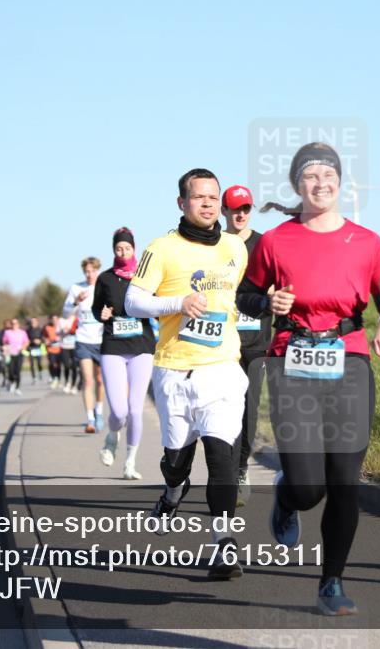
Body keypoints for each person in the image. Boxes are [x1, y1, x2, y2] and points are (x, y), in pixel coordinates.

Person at [238, 142, 380, 615]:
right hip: (292, 361)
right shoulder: (275, 241)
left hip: (350, 361)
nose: (320, 183)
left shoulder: (368, 242)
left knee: (345, 481)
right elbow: (245, 295)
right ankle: (288, 498)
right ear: (296, 184)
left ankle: (332, 582)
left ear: (340, 183)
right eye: (310, 176)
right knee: (309, 488)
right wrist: (267, 302)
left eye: (329, 175)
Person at [125, 167, 249, 580]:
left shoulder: (235, 248)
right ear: (182, 202)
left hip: (222, 369)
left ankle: (224, 543)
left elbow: (237, 297)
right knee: (177, 461)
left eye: (214, 197)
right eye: (199, 197)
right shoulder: (162, 248)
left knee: (221, 457)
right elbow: (133, 302)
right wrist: (177, 303)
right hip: (174, 371)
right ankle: (173, 491)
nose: (208, 204)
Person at [220, 184, 272, 506]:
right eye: (234, 209)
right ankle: (227, 470)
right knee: (226, 409)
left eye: (246, 209)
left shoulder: (264, 244)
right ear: (224, 211)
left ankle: (240, 467)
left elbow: (280, 283)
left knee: (249, 411)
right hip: (222, 343)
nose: (240, 214)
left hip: (256, 341)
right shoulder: (216, 243)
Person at [93, 227, 155, 480]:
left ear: (134, 248)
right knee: (119, 412)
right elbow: (96, 308)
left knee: (135, 409)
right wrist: (101, 314)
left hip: (142, 347)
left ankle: (130, 462)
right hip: (114, 347)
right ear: (113, 250)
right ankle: (112, 436)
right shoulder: (105, 278)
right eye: (118, 248)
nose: (123, 252)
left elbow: (157, 304)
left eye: (127, 248)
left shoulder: (145, 276)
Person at [63, 258, 106, 432]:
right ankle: (90, 419)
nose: (90, 275)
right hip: (83, 340)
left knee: (100, 380)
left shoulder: (104, 286)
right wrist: (76, 301)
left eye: (93, 271)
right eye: (87, 272)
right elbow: (66, 313)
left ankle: (99, 412)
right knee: (87, 380)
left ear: (98, 271)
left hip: (102, 340)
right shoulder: (76, 288)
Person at [2, 318, 28, 395]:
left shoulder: (22, 332)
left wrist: (23, 347)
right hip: (10, 354)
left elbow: (26, 342)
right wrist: (5, 348)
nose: (14, 325)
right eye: (12, 323)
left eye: (16, 323)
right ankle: (12, 381)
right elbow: (4, 342)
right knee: (11, 370)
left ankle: (17, 387)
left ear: (18, 324)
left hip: (19, 353)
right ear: (11, 325)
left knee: (18, 371)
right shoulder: (7, 332)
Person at [57, 312, 79, 394]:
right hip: (64, 346)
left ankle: (74, 385)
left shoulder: (76, 319)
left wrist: (71, 330)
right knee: (66, 365)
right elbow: (57, 332)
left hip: (74, 346)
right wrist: (62, 330)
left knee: (74, 367)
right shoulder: (61, 320)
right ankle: (67, 383)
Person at [43, 315, 62, 389]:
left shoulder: (61, 327)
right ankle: (54, 378)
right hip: (50, 349)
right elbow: (43, 336)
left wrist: (60, 338)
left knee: (58, 365)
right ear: (51, 320)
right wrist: (46, 340)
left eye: (56, 319)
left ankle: (58, 379)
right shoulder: (47, 327)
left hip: (60, 349)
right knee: (52, 364)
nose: (54, 321)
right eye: (53, 319)